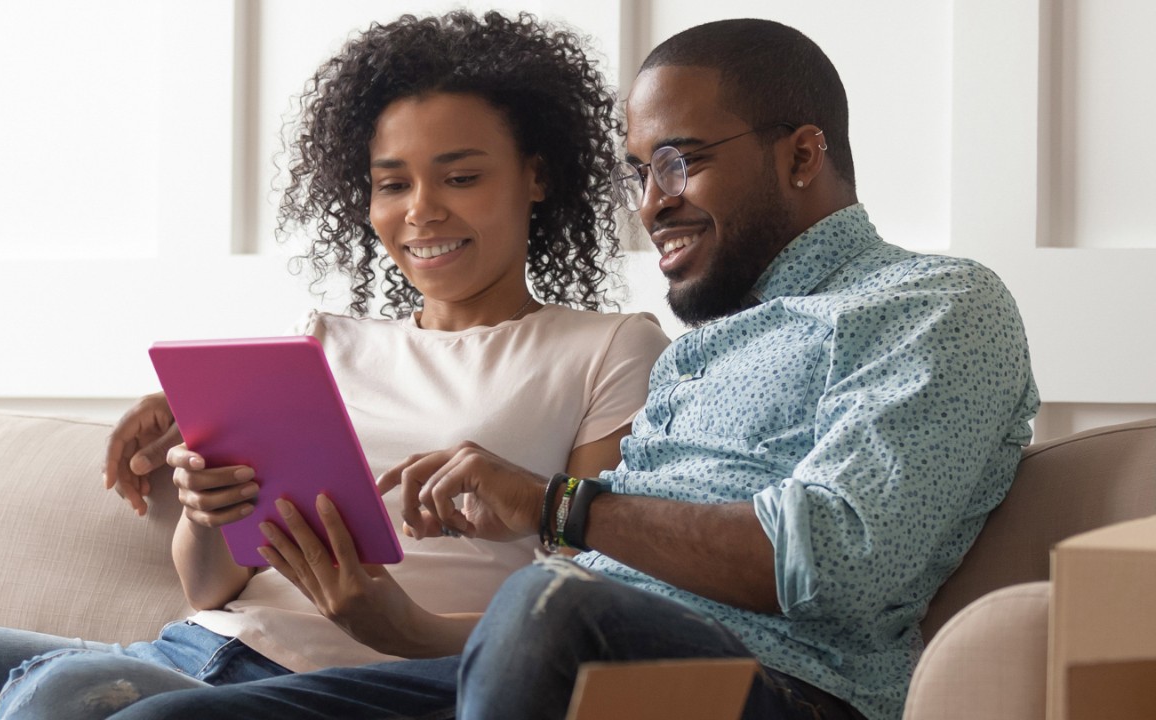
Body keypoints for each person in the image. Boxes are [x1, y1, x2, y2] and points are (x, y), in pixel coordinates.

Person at [87, 17, 1042, 720]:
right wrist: (402, 625)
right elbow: (561, 618)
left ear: (802, 155)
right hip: (568, 664)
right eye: (637, 172)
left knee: (554, 597)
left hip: (776, 692)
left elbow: (835, 559)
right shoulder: (701, 352)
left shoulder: (932, 305)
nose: (651, 204)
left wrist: (554, 504)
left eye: (679, 161)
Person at [0, 11, 670, 720]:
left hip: (350, 683)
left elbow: (587, 603)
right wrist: (206, 507)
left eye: (460, 177)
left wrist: (401, 621)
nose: (421, 211)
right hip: (199, 648)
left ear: (536, 176)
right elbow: (211, 586)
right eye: (392, 183)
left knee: (65, 697)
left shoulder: (608, 349)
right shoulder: (319, 343)